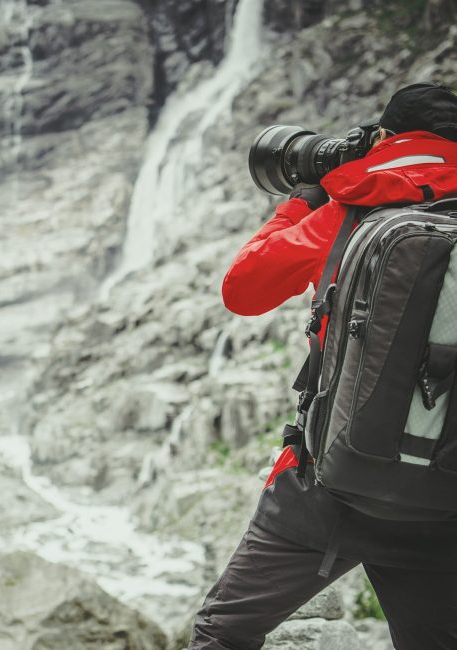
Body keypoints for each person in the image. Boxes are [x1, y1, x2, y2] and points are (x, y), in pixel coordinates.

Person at [187, 82, 457, 650]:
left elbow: (243, 290)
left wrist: (303, 199)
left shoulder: (353, 203)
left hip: (330, 488)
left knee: (223, 631)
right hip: (444, 500)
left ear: (385, 136)